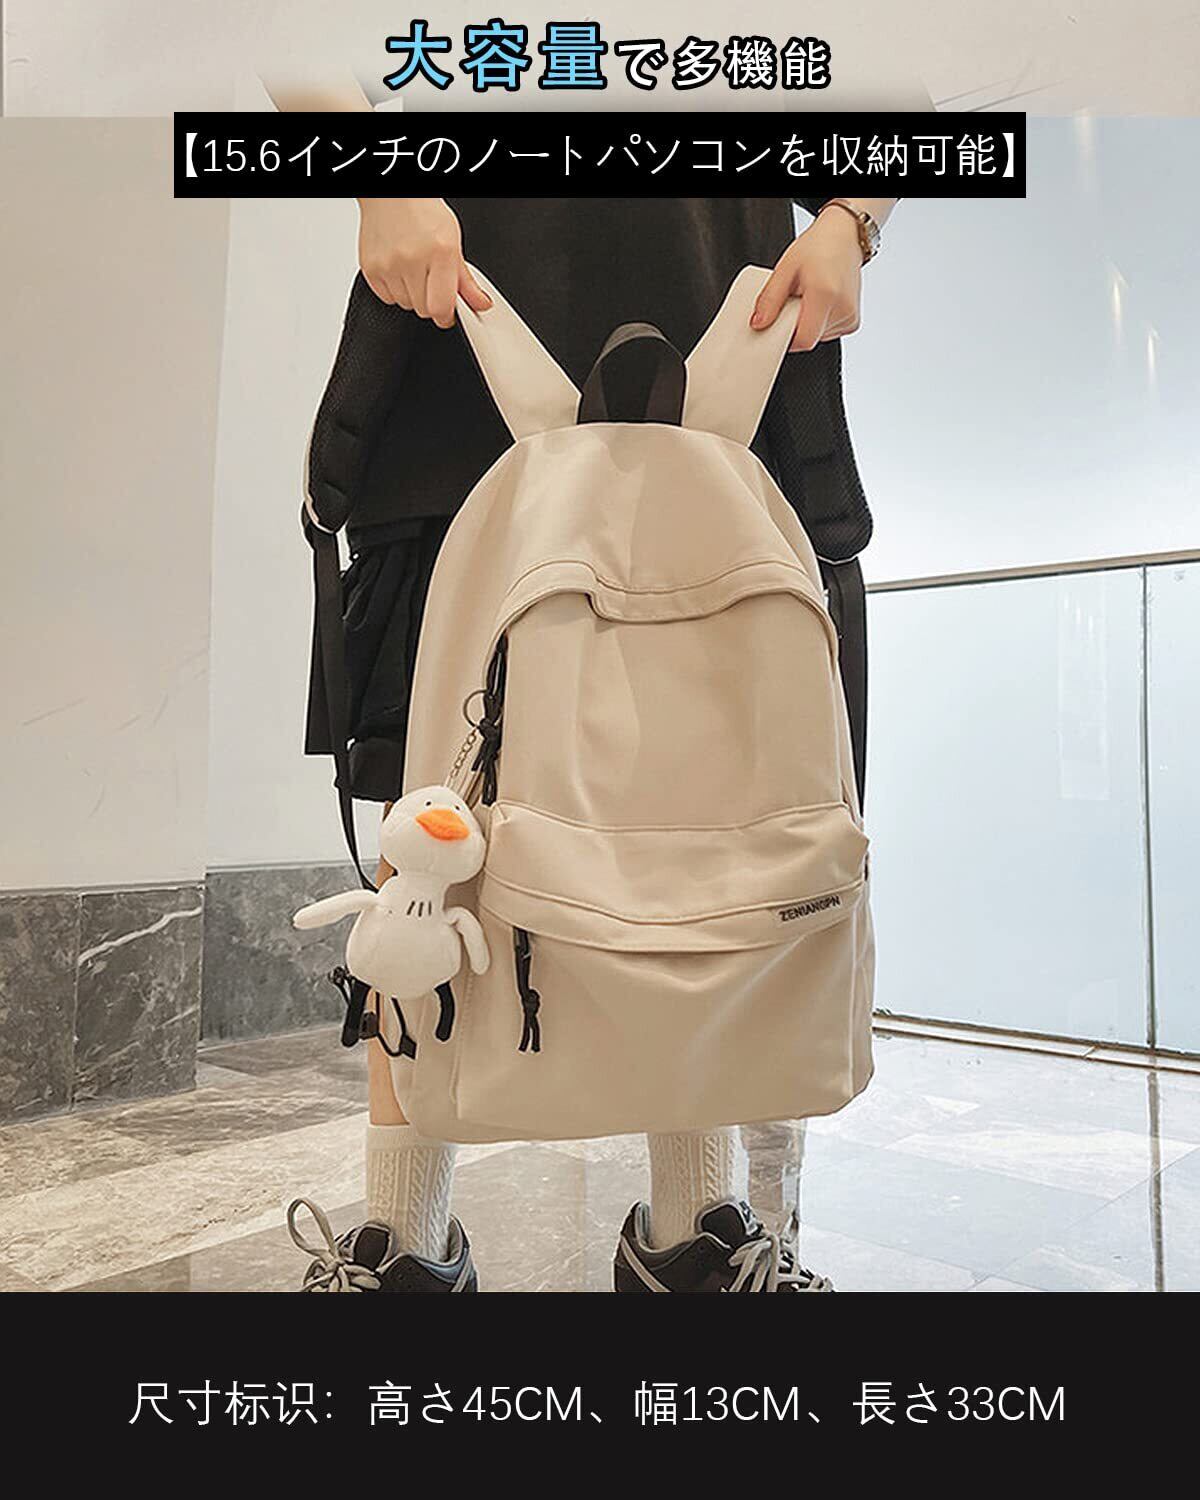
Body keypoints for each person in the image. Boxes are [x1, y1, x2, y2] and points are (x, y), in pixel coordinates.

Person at [270, 76, 895, 1294]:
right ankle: (405, 1246)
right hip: (460, 335)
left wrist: (852, 216)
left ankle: (693, 1233)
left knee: (709, 813)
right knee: (430, 839)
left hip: (729, 354)